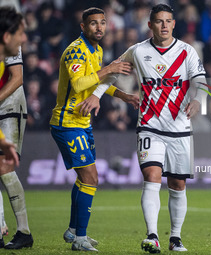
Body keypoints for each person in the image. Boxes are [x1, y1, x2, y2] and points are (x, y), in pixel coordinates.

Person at [79, 4, 207, 253]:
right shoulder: (137, 51)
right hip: (149, 125)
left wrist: (198, 99)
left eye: (168, 21)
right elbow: (113, 72)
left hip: (180, 127)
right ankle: (152, 235)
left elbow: (200, 80)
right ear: (150, 25)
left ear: (173, 23)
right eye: (159, 21)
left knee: (178, 185)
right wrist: (96, 95)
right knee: (152, 177)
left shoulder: (187, 51)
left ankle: (176, 238)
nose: (164, 25)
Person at [49, 7, 138, 252]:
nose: (99, 27)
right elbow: (79, 84)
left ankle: (73, 231)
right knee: (91, 178)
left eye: (102, 23)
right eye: (93, 23)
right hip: (67, 123)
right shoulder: (75, 51)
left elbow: (97, 82)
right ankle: (81, 239)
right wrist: (109, 69)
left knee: (83, 179)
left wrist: (124, 96)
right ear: (83, 26)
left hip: (83, 123)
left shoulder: (96, 50)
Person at [0, 6, 34, 249]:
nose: (23, 39)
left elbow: (18, 77)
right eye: (21, 33)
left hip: (10, 106)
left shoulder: (8, 46)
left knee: (4, 167)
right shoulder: (7, 37)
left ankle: (23, 231)